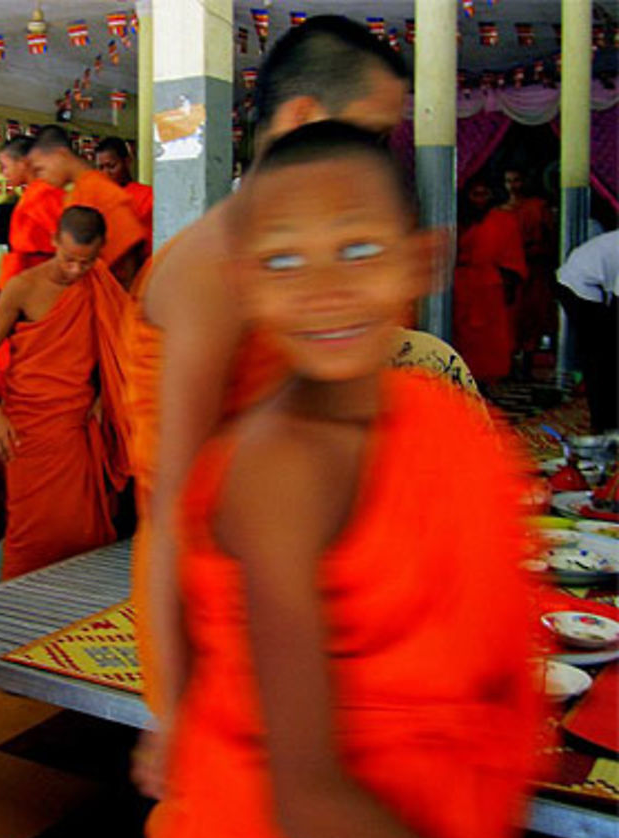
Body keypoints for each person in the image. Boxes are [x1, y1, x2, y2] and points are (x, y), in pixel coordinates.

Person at [91, 122, 561, 838]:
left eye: (356, 249)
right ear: (244, 285)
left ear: (421, 259)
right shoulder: (281, 467)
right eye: (283, 261)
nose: (325, 291)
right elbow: (304, 798)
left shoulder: (440, 418)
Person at [127, 17, 422, 778]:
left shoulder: (307, 265)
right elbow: (175, 514)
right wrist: (180, 706)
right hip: (226, 611)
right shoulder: (213, 268)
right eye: (371, 134)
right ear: (299, 119)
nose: (377, 162)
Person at [0, 206, 129, 579]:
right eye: (69, 259)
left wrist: (100, 400)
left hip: (74, 427)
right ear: (54, 241)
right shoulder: (23, 287)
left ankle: (75, 611)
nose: (76, 270)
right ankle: (18, 610)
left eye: (86, 262)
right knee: (29, 533)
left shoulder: (101, 285)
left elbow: (119, 351)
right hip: (26, 427)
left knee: (80, 530)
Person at [28, 126, 147, 290]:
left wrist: (127, 304)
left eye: (41, 169)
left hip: (115, 294)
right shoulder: (77, 191)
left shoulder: (99, 188)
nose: (42, 177)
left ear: (59, 155)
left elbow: (128, 257)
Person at [453, 176, 527, 384]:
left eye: (484, 194)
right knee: (462, 336)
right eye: (475, 194)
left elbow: (513, 257)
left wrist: (509, 285)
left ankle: (486, 381)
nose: (479, 200)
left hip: (490, 288)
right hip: (459, 284)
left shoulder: (503, 220)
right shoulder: (456, 218)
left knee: (491, 339)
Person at [557, 229, 619, 433]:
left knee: (604, 355)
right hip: (577, 287)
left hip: (591, 286)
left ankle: (607, 420)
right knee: (602, 356)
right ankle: (605, 425)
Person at [500, 168, 556, 374]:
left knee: (535, 315)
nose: (513, 186)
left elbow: (550, 238)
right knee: (511, 319)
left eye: (517, 180)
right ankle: (511, 365)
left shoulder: (538, 207)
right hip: (511, 273)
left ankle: (528, 363)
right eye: (509, 181)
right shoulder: (501, 212)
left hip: (536, 270)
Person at [0, 136, 64, 289]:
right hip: (26, 277)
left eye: (4, 166)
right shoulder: (33, 193)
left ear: (23, 163)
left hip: (42, 279)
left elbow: (66, 242)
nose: (2, 173)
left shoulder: (45, 194)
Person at [95, 136, 153, 239]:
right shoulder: (95, 199)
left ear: (127, 161)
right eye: (101, 168)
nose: (105, 173)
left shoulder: (147, 196)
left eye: (111, 166)